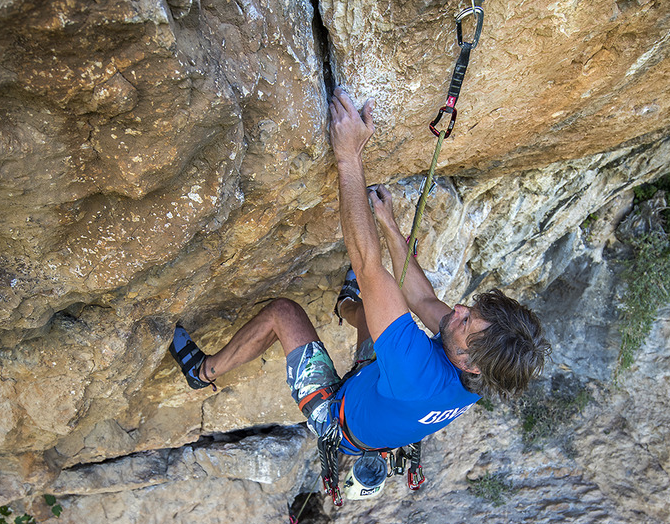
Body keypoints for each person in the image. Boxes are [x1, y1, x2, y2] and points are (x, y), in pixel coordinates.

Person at [169, 87, 549, 461]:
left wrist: (348, 156)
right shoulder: (487, 367)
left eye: (466, 321)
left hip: (337, 416)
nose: (461, 308)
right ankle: (347, 305)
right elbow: (424, 300)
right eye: (472, 310)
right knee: (376, 310)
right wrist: (388, 224)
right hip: (381, 390)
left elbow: (368, 265)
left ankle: (202, 371)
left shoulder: (419, 370)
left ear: (470, 363)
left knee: (283, 313)